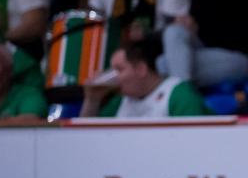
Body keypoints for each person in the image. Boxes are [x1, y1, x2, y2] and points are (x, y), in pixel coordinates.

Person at [81, 38, 210, 119]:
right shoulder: (120, 100)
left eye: (119, 69)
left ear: (141, 69)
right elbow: (88, 140)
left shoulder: (179, 94)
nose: (114, 76)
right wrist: (92, 100)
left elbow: (192, 142)